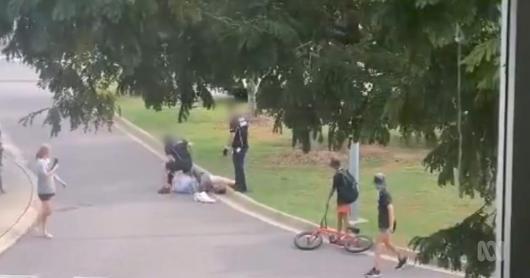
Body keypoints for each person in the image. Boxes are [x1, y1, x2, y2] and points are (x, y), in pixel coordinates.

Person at [365, 173, 407, 277]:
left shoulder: (385, 195)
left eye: (378, 183)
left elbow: (390, 208)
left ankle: (376, 270)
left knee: (378, 245)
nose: (377, 185)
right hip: (384, 224)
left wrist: (391, 226)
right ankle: (402, 258)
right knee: (387, 243)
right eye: (376, 183)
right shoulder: (381, 193)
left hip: (386, 225)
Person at [327, 157, 358, 242]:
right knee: (341, 218)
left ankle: (351, 236)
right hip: (345, 199)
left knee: (344, 219)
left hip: (342, 200)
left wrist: (328, 199)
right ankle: (339, 236)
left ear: (334, 165)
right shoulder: (345, 171)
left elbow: (333, 189)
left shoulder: (337, 176)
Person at [34, 144, 60, 239]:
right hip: (43, 190)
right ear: (45, 152)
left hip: (48, 189)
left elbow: (51, 173)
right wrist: (55, 168)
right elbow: (45, 174)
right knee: (48, 211)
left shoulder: (45, 161)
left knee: (46, 211)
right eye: (48, 152)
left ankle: (42, 228)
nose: (49, 154)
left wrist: (60, 181)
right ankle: (39, 225)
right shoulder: (40, 163)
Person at [223, 110, 249, 193]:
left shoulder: (233, 121)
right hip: (245, 146)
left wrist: (226, 148)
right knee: (239, 166)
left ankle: (241, 187)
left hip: (238, 147)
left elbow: (232, 136)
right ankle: (239, 184)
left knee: (238, 166)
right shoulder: (242, 119)